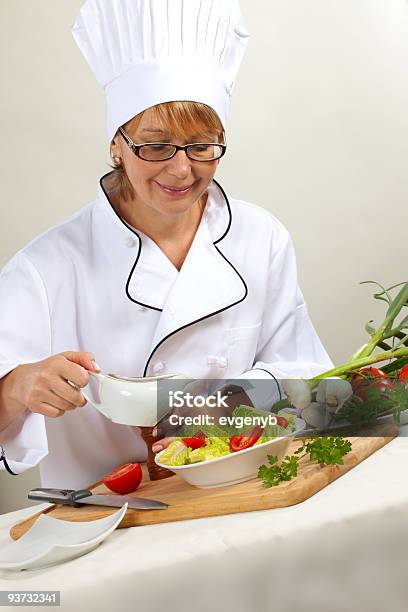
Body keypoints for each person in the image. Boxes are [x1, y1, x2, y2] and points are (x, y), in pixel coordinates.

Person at [0, 0, 333, 487]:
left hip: (241, 491)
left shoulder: (260, 237)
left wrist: (227, 403)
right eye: (155, 146)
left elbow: (307, 376)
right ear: (117, 143)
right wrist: (18, 387)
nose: (182, 171)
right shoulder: (45, 268)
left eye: (202, 146)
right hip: (105, 520)